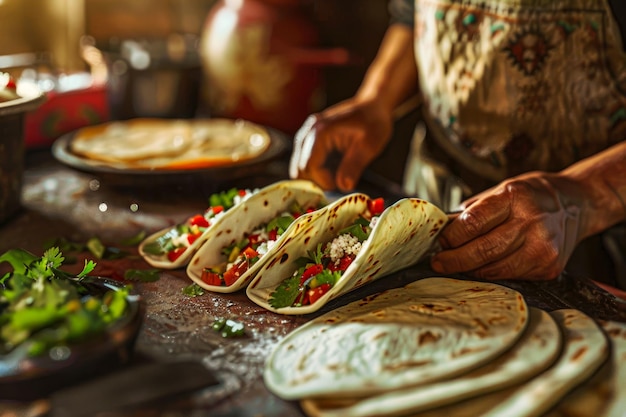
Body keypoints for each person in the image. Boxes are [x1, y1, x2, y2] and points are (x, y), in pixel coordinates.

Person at [288, 0, 626, 292]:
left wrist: (587, 193)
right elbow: (412, 15)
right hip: (436, 191)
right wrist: (376, 97)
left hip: (591, 238)